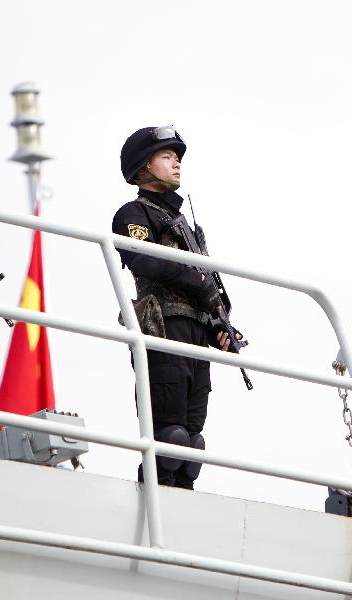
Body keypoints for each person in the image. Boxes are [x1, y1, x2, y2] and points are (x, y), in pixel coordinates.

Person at [113, 126, 235, 489]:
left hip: (197, 334)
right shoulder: (133, 214)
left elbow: (209, 281)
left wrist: (220, 324)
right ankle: (153, 509)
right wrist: (195, 282)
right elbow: (147, 260)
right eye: (166, 155)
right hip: (164, 327)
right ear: (143, 168)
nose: (176, 161)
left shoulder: (189, 227)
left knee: (193, 444)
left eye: (176, 155)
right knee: (170, 438)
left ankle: (183, 510)